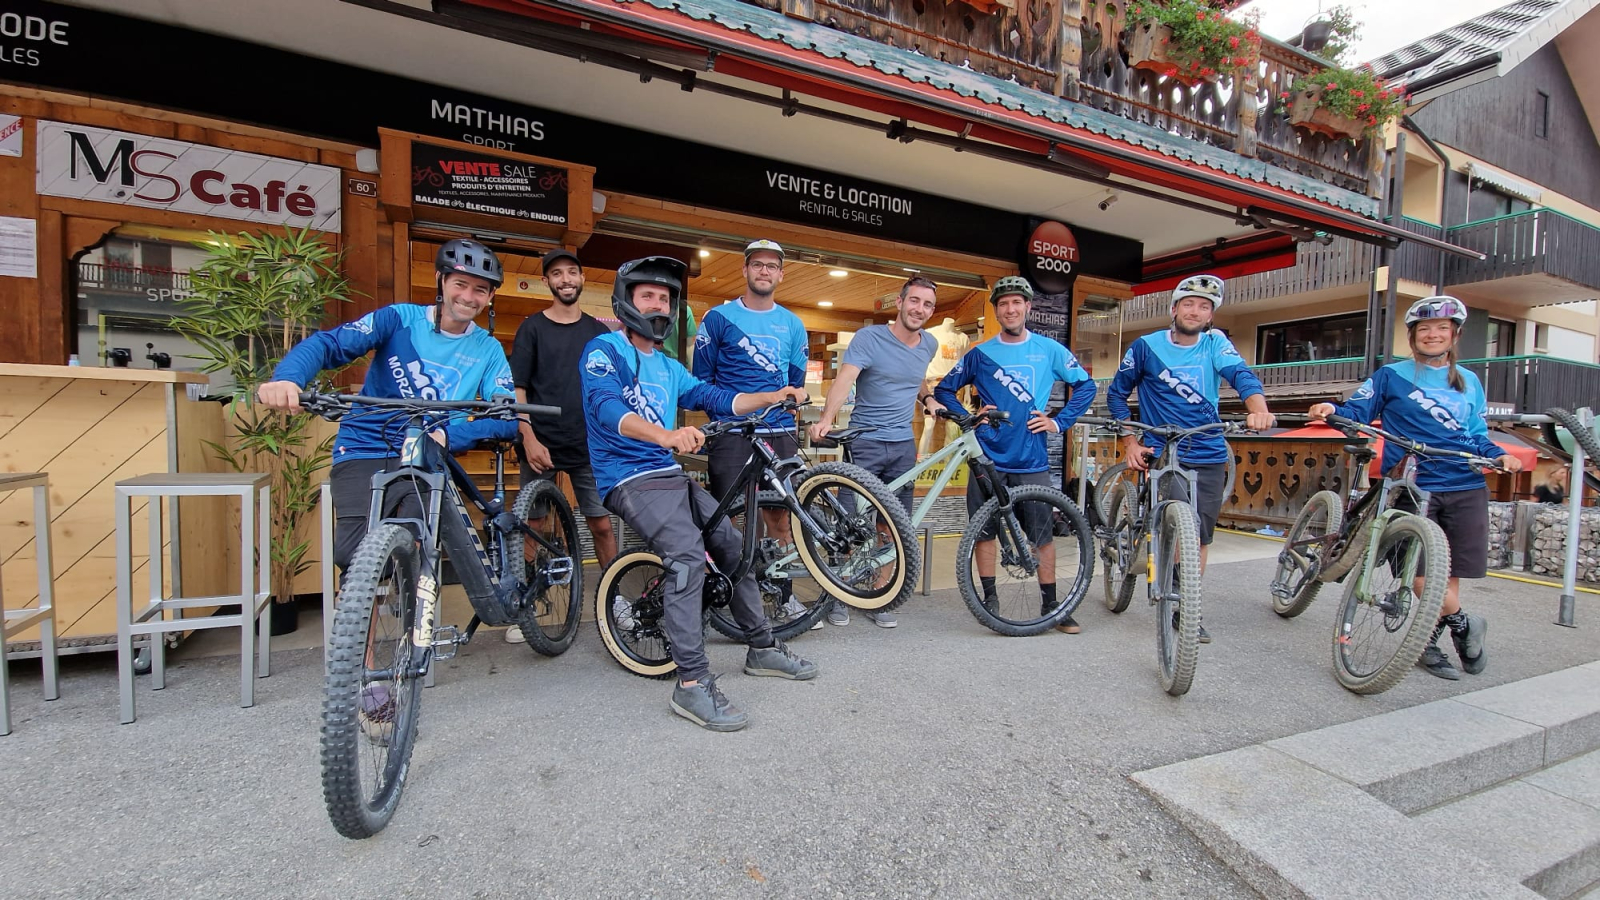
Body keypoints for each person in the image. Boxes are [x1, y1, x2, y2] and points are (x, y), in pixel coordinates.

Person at [582, 256, 816, 733]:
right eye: (648, 295)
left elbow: (717, 398)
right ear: (626, 300)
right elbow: (606, 408)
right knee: (688, 556)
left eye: (665, 298)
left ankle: (764, 647)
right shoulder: (603, 350)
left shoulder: (668, 365)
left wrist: (771, 396)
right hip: (627, 477)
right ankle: (691, 685)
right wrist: (664, 436)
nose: (658, 304)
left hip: (668, 475)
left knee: (732, 545)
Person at [258, 238, 518, 571]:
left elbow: (506, 417)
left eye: (480, 290)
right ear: (442, 281)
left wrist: (448, 437)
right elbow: (329, 345)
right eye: (461, 284)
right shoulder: (399, 318)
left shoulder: (488, 349)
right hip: (363, 446)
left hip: (425, 456)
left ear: (490, 296)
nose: (468, 297)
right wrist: (288, 379)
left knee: (417, 552)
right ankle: (364, 610)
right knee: (353, 558)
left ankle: (417, 620)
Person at [1309, 295, 1524, 680]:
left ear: (1454, 335)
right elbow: (1357, 411)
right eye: (1424, 329)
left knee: (1446, 575)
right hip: (1410, 483)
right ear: (1412, 337)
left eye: (1442, 329)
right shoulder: (1391, 375)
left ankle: (1427, 644)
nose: (1433, 335)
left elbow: (1476, 434)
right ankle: (1465, 626)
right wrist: (1330, 409)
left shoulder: (1469, 381)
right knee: (1423, 576)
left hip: (1465, 481)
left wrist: (1500, 455)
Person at [1104, 274, 1276, 643]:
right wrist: (1130, 442)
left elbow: (1242, 376)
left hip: (1208, 448)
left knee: (1200, 535)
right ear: (1173, 309)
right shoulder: (1145, 347)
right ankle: (1172, 586)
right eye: (1189, 303)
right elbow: (1118, 395)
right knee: (1180, 519)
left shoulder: (1216, 344)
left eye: (1204, 306)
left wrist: (1258, 409)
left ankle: (1187, 606)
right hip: (1162, 449)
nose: (1195, 311)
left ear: (1211, 315)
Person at [933, 276, 1097, 634]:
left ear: (1028, 307)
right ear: (996, 310)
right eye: (1003, 304)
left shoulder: (1048, 349)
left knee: (1043, 536)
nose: (1010, 309)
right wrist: (966, 416)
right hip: (987, 457)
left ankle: (1052, 604)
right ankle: (989, 601)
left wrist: (1060, 422)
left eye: (1016, 303)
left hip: (1031, 458)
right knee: (984, 533)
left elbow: (1086, 385)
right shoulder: (980, 353)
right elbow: (944, 389)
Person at [691, 240, 815, 629]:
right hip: (732, 435)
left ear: (781, 274)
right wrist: (727, 418)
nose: (764, 271)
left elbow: (794, 384)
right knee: (730, 521)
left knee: (782, 519)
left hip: (778, 433)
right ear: (744, 271)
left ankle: (782, 595)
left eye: (772, 266)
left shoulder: (793, 324)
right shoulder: (717, 317)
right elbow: (701, 382)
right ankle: (730, 598)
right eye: (757, 265)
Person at [807, 275, 942, 629]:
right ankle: (839, 592)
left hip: (902, 445)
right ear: (899, 303)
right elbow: (844, 380)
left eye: (927, 305)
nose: (920, 309)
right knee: (849, 521)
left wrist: (927, 398)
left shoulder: (928, 344)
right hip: (864, 441)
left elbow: (918, 377)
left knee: (891, 524)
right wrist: (826, 419)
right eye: (914, 301)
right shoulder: (870, 338)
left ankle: (880, 594)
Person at [504, 248, 615, 644]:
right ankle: (526, 607)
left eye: (572, 272)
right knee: (531, 526)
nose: (565, 279)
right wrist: (527, 436)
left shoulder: (599, 334)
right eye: (557, 274)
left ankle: (614, 599)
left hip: (589, 445)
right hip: (540, 444)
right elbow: (517, 389)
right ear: (547, 282)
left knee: (600, 523)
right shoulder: (532, 328)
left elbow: (611, 391)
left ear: (582, 279)